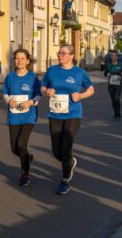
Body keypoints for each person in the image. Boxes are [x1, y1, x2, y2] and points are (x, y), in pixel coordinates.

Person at [41, 44, 95, 194]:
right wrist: (47, 91)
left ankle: (64, 181)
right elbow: (42, 86)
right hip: (55, 114)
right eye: (59, 53)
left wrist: (81, 95)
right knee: (56, 150)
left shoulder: (79, 72)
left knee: (65, 147)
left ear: (72, 56)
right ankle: (70, 161)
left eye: (63, 53)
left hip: (73, 114)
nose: (60, 56)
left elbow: (91, 89)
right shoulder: (52, 70)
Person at [2, 48, 41, 186]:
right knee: (14, 148)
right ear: (14, 61)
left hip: (29, 115)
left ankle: (25, 173)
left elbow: (38, 95)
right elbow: (5, 92)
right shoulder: (10, 77)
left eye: (22, 58)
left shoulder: (32, 78)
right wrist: (9, 101)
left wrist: (30, 102)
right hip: (13, 115)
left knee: (21, 144)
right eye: (17, 58)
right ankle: (28, 158)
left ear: (27, 61)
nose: (19, 60)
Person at [104, 50, 122, 120]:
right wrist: (107, 74)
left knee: (117, 98)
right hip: (110, 85)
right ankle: (115, 113)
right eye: (112, 56)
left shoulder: (120, 64)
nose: (113, 57)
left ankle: (118, 114)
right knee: (113, 100)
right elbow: (105, 73)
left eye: (114, 56)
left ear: (117, 57)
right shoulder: (108, 65)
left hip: (118, 84)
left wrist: (121, 76)